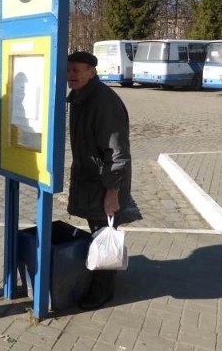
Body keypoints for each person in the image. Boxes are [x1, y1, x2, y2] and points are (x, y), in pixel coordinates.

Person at [66, 50, 132, 311]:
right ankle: (100, 277)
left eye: (77, 70)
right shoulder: (81, 97)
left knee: (105, 233)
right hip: (90, 178)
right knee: (99, 231)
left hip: (105, 183)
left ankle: (103, 291)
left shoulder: (103, 102)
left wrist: (112, 191)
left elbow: (117, 153)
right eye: (69, 70)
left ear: (92, 72)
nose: (71, 75)